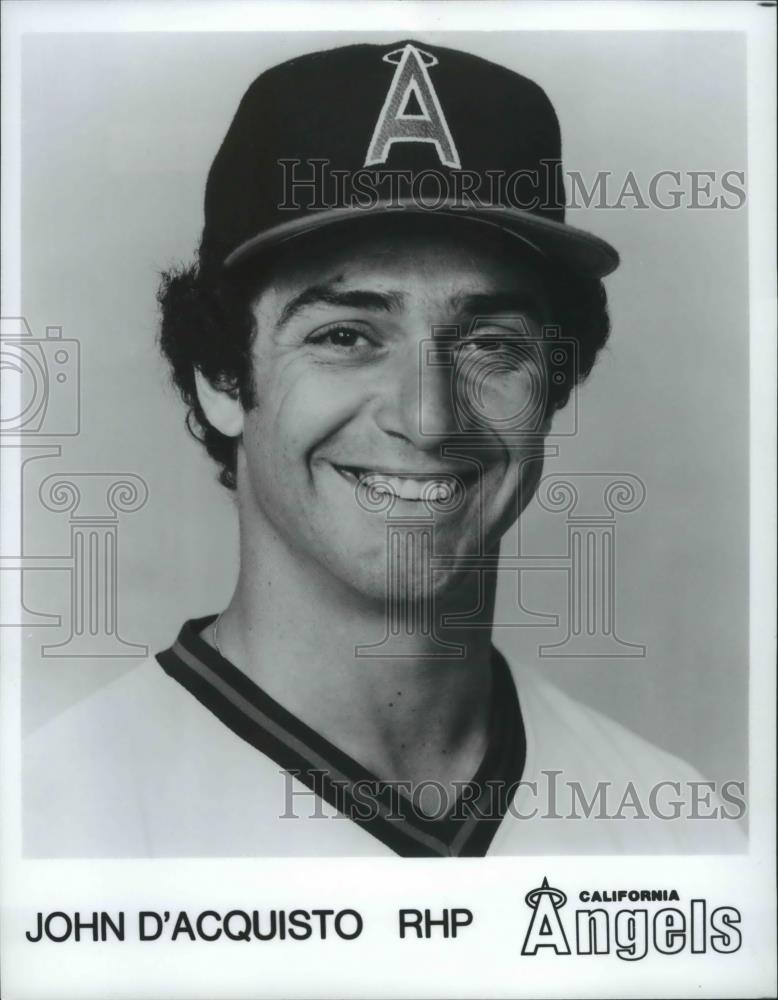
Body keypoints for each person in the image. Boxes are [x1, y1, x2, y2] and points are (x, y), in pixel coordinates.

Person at [24, 39, 743, 857]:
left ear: (553, 385)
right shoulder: (53, 823)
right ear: (221, 378)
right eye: (345, 334)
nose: (431, 418)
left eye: (491, 344)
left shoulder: (680, 825)